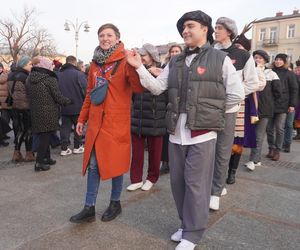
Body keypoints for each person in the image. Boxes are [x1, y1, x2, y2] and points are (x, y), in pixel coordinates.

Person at [127, 10, 244, 250]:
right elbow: (158, 87)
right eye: (183, 28)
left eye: (190, 26)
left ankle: (193, 233)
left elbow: (236, 95)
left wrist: (213, 117)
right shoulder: (176, 61)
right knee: (178, 183)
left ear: (204, 29)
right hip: (176, 133)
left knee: (196, 185)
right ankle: (185, 224)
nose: (185, 31)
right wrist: (139, 67)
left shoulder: (219, 59)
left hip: (203, 134)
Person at [69, 23, 144, 224]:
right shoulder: (95, 63)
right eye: (101, 35)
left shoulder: (125, 60)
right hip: (95, 122)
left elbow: (137, 88)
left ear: (117, 38)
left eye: (109, 35)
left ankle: (115, 202)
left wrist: (138, 67)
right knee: (94, 166)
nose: (105, 38)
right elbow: (89, 94)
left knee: (116, 165)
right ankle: (89, 207)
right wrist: (81, 118)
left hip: (116, 123)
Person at [210, 17, 260, 211]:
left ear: (229, 31)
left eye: (219, 28)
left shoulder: (242, 55)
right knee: (207, 148)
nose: (215, 31)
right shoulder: (209, 52)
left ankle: (217, 188)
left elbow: (253, 82)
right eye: (215, 27)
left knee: (224, 148)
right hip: (208, 108)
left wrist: (235, 96)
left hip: (230, 108)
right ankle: (210, 184)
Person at [127, 43, 166, 192]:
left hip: (156, 119)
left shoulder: (162, 72)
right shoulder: (135, 71)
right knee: (136, 153)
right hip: (138, 117)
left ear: (152, 56)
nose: (141, 57)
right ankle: (136, 179)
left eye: (144, 55)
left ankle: (151, 178)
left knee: (155, 153)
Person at [26, 56, 72, 171]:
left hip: (36, 112)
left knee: (44, 135)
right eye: (50, 65)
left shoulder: (29, 78)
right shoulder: (49, 79)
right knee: (45, 137)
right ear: (45, 66)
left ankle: (47, 158)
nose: (52, 67)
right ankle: (39, 163)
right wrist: (69, 101)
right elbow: (57, 96)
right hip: (49, 112)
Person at [244, 50, 281, 170]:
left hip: (265, 109)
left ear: (265, 60)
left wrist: (270, 103)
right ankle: (256, 159)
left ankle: (253, 160)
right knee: (250, 134)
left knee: (258, 136)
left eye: (260, 58)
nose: (257, 60)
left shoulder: (271, 74)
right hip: (251, 108)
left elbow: (278, 92)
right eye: (255, 57)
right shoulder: (249, 71)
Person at [267, 53, 298, 159]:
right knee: (269, 129)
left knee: (280, 128)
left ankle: (277, 150)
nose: (278, 61)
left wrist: (292, 105)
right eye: (276, 59)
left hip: (283, 105)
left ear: (285, 62)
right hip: (269, 104)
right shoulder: (269, 72)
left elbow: (294, 90)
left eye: (280, 60)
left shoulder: (290, 74)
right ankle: (271, 148)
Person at [7, 56, 35, 163]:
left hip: (15, 105)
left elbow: (10, 91)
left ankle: (17, 153)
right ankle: (29, 153)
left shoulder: (10, 75)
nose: (31, 66)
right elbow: (30, 92)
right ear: (24, 65)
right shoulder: (26, 76)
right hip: (26, 106)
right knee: (28, 130)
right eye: (29, 64)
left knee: (20, 130)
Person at [57, 55, 87, 156]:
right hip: (78, 105)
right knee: (78, 127)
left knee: (65, 127)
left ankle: (64, 148)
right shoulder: (79, 74)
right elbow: (85, 90)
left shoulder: (59, 74)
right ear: (74, 62)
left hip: (64, 105)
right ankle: (77, 147)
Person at [160, 44, 183, 175]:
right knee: (166, 135)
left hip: (179, 104)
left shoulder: (185, 65)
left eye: (177, 51)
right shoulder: (166, 66)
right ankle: (165, 162)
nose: (175, 53)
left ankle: (177, 163)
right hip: (166, 103)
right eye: (172, 51)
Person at [293, 59, 300, 140]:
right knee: (297, 117)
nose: (297, 70)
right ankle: (298, 133)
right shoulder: (294, 77)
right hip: (297, 99)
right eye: (297, 69)